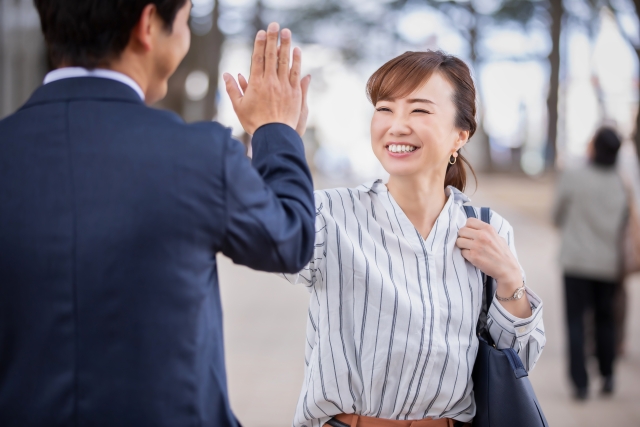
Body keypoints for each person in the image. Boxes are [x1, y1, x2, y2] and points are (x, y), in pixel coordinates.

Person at [0, 0, 315, 425]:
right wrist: (275, 130)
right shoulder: (199, 153)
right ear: (148, 24)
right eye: (185, 21)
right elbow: (290, 241)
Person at [283, 51, 546, 427]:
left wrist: (511, 281)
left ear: (460, 134)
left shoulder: (489, 231)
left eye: (419, 111)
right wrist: (276, 135)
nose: (397, 125)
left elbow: (517, 363)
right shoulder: (329, 214)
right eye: (385, 109)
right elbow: (266, 240)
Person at [553, 127, 628, 400]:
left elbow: (556, 214)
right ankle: (608, 375)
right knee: (606, 320)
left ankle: (580, 383)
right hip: (608, 263)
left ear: (595, 147)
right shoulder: (622, 182)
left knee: (575, 321)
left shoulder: (573, 176)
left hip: (575, 260)